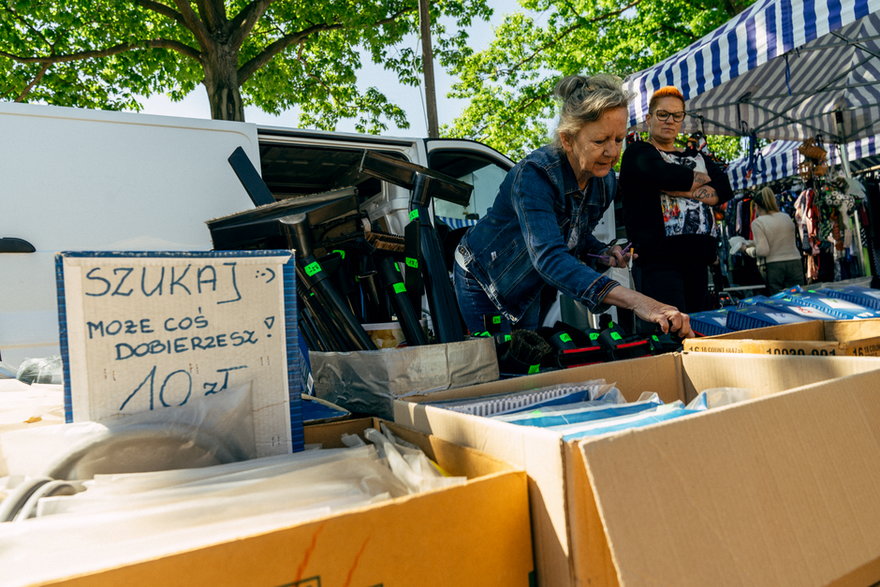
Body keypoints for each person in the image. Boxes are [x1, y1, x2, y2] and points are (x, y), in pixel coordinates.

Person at [452, 74, 692, 338]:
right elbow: (550, 257)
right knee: (500, 362)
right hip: (484, 276)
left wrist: (602, 251)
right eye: (600, 141)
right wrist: (640, 301)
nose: (612, 153)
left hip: (532, 280)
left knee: (529, 357)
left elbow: (573, 234)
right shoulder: (534, 176)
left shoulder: (605, 181)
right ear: (567, 139)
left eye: (619, 139)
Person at [619, 86, 733, 324]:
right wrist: (700, 184)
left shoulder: (697, 155)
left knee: (699, 330)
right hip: (659, 261)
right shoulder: (638, 152)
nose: (670, 120)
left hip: (699, 260)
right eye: (662, 114)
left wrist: (677, 186)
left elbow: (724, 189)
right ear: (649, 119)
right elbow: (662, 176)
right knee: (670, 331)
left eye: (676, 115)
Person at [747, 186, 805, 292]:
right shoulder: (786, 217)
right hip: (795, 261)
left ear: (758, 206)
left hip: (774, 265)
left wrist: (747, 250)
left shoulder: (758, 222)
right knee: (799, 297)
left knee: (777, 301)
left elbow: (763, 251)